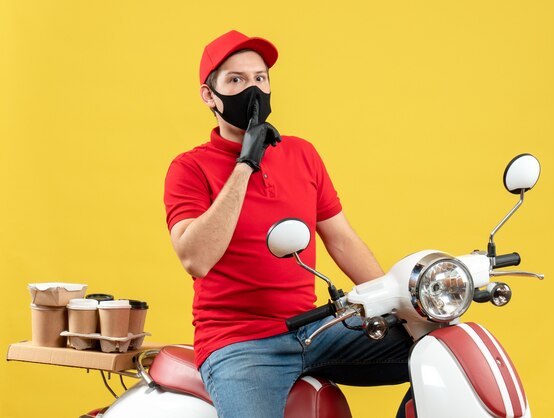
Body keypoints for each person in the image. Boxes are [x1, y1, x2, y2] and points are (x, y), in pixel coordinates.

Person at [164, 30, 413, 418]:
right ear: (209, 96)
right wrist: (245, 164)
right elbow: (196, 259)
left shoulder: (302, 153)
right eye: (236, 80)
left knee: (436, 347)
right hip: (239, 344)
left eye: (260, 78)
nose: (253, 90)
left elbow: (341, 239)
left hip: (314, 329)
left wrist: (395, 301)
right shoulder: (189, 168)